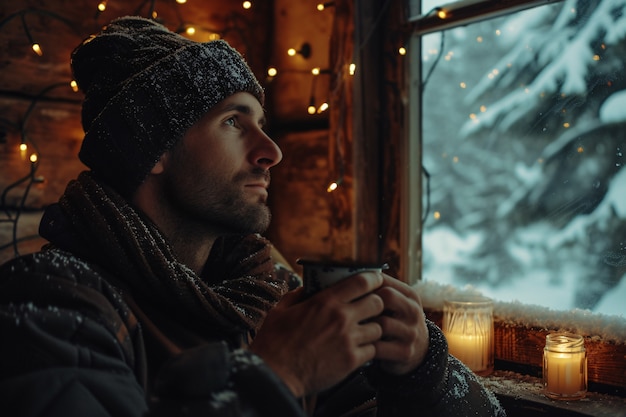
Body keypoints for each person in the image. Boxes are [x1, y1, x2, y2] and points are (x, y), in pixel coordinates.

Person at [0, 16, 506, 417]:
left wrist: (424, 368)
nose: (271, 151)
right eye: (231, 122)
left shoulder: (267, 293)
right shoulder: (52, 305)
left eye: (260, 123)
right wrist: (280, 375)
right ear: (152, 152)